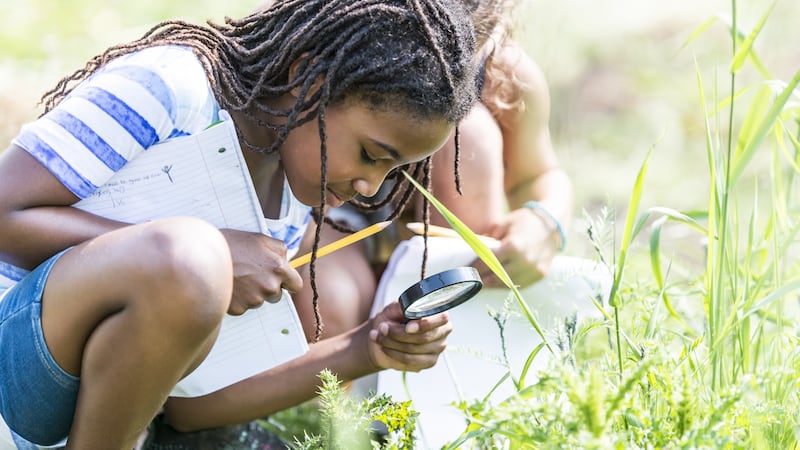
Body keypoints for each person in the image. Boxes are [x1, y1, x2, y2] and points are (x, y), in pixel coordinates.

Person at [0, 0, 479, 448]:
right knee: (190, 257)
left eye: (393, 172)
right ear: (309, 80)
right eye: (370, 155)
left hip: (72, 422)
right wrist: (210, 256)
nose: (372, 188)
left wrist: (367, 348)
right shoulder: (173, 87)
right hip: (15, 365)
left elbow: (188, 405)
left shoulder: (290, 202)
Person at [291, 0, 574, 342]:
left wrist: (544, 223)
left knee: (469, 138)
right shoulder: (319, 25)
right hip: (330, 212)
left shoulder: (504, 74)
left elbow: (539, 175)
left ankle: (453, 335)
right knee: (330, 304)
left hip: (437, 228)